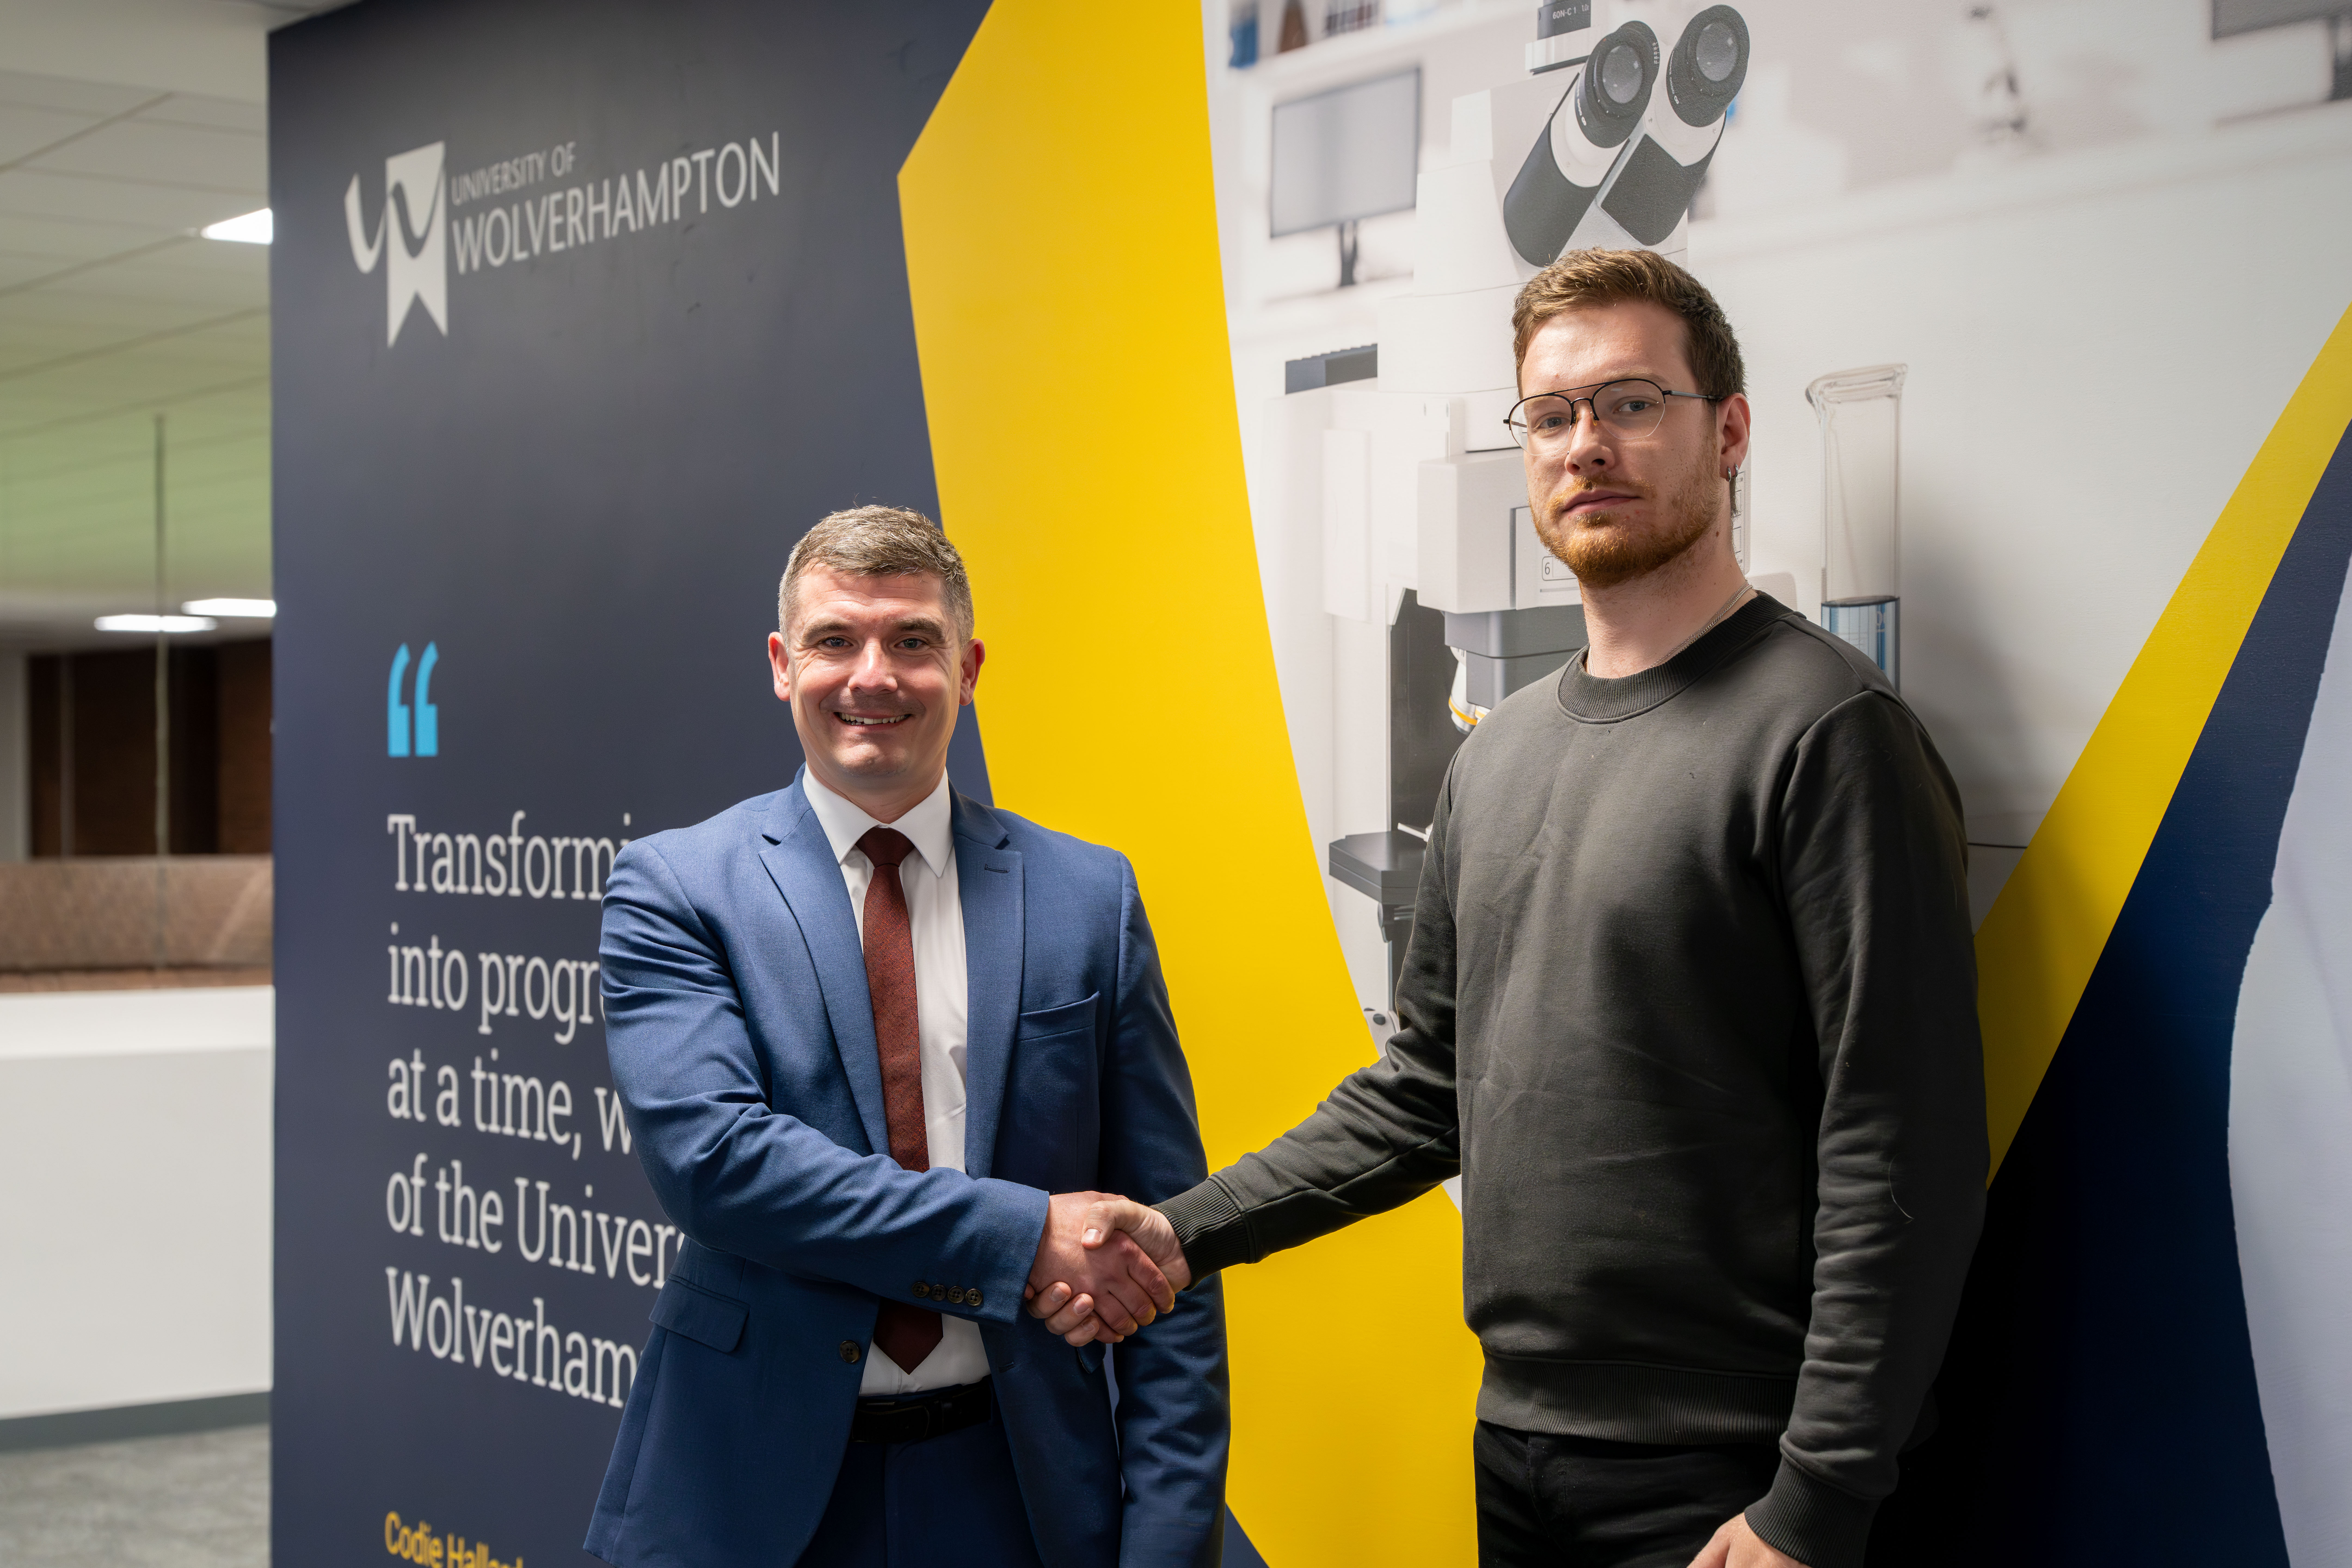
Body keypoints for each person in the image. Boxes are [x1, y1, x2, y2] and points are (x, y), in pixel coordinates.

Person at [1032, 250, 1985, 1568]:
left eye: (1632, 402)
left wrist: (1814, 1501)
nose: (1587, 445)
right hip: (1521, 1454)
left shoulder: (1827, 734)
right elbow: (1425, 1091)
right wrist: (1180, 1235)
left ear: (1731, 431)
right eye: (1552, 415)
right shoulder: (1497, 756)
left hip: (1735, 1482)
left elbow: (1901, 1146)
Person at [585, 506, 1228, 1568]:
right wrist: (1023, 1237)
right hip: (750, 1493)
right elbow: (719, 1167)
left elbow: (1164, 1242)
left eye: (913, 641)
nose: (871, 675)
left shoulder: (1087, 896)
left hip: (1016, 1490)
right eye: (835, 640)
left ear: (968, 668)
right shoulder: (679, 886)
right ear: (782, 665)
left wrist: (1166, 1543)